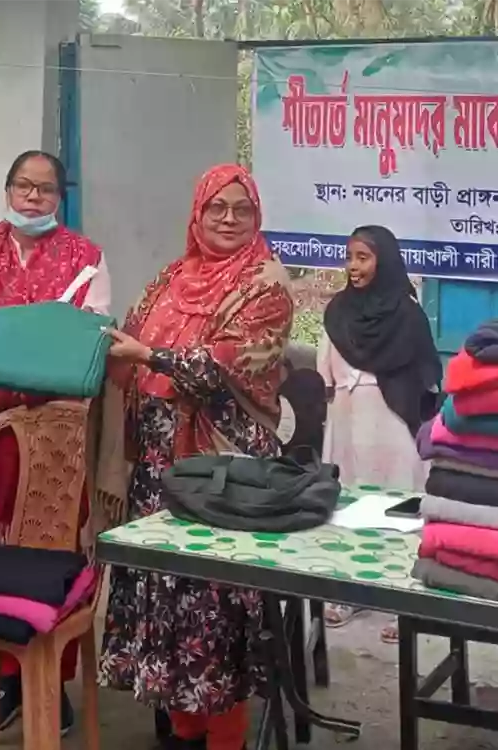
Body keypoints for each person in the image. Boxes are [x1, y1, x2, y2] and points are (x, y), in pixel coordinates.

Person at [98, 164, 294, 750]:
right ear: (198, 212)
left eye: (242, 209)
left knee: (213, 606)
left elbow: (228, 361)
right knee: (164, 599)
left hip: (221, 470)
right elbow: (127, 335)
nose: (229, 219)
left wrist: (153, 357)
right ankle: (180, 732)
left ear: (257, 216)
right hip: (156, 467)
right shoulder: (171, 277)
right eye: (218, 207)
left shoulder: (268, 283)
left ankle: (224, 739)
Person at [0, 149, 111, 734]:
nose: (34, 198)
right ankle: (6, 676)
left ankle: (50, 678)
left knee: (55, 551)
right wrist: (21, 352)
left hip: (60, 434)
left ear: (62, 197)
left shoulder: (86, 258)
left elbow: (89, 340)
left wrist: (17, 352)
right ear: (6, 191)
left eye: (47, 189)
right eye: (24, 187)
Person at [318, 225, 441, 642]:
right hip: (347, 419)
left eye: (363, 258)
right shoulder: (337, 310)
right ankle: (351, 592)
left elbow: (427, 374)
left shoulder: (407, 315)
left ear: (383, 261)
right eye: (350, 257)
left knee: (398, 507)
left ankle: (403, 602)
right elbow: (326, 371)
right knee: (350, 503)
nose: (353, 266)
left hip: (390, 422)